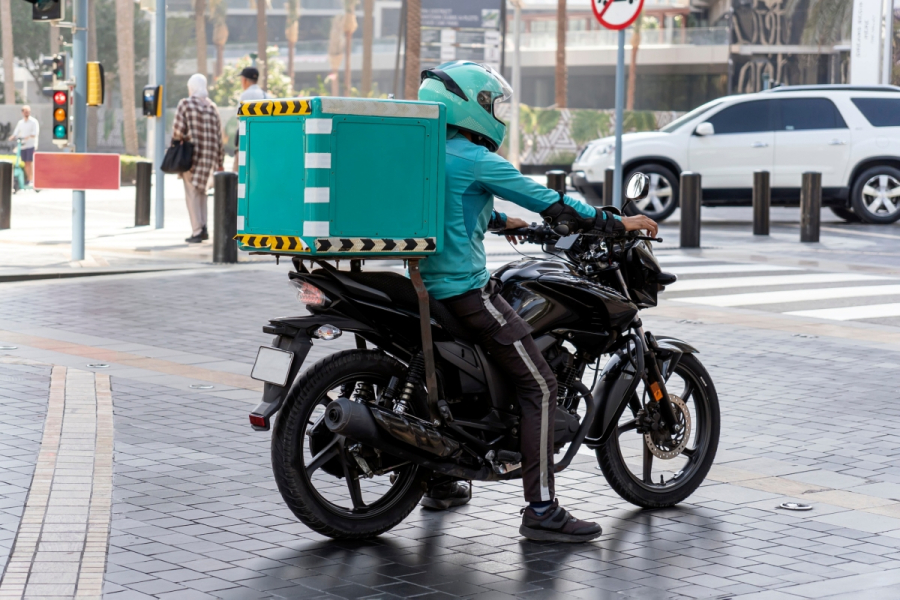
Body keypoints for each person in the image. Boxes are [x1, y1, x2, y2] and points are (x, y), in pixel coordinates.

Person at [416, 61, 657, 543]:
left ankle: (441, 480)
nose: (496, 113)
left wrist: (501, 221)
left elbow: (447, 205)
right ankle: (542, 509)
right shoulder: (476, 159)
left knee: (449, 384)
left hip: (421, 289)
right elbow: (553, 202)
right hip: (463, 292)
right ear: (470, 106)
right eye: (492, 104)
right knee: (541, 385)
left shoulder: (425, 154)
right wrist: (615, 224)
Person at [173, 74, 224, 243]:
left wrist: (174, 146)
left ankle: (197, 231)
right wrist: (220, 162)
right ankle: (203, 228)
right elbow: (219, 136)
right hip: (209, 157)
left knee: (192, 193)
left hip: (191, 156)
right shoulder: (212, 107)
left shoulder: (185, 104)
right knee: (202, 191)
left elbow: (178, 131)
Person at [232, 67, 269, 172]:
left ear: (244, 80)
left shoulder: (245, 95)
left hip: (246, 142)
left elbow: (240, 119)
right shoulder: (266, 96)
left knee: (239, 173)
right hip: (263, 143)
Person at [8, 106, 39, 185]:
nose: (27, 113)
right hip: (22, 145)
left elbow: (35, 133)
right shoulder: (20, 123)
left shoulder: (34, 122)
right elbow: (16, 133)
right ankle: (28, 179)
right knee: (25, 163)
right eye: (25, 112)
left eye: (28, 112)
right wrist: (12, 137)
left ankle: (31, 180)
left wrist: (27, 137)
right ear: (22, 112)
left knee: (29, 162)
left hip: (31, 145)